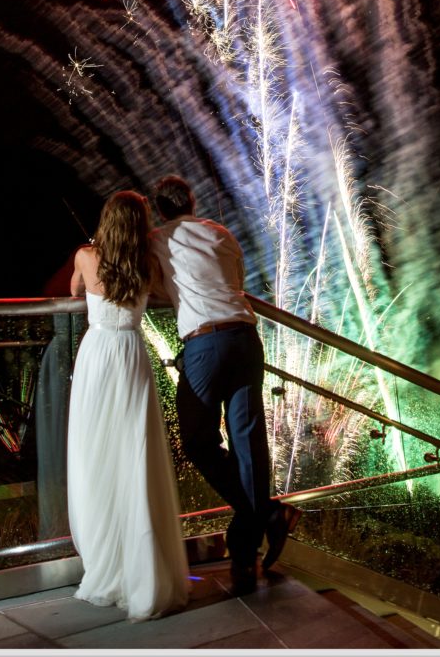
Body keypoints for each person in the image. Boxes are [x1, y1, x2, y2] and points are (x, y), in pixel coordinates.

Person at [149, 175, 301, 594]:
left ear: (159, 209)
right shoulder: (221, 233)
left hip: (205, 343)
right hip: (245, 337)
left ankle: (267, 513)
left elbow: (148, 282)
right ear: (192, 201)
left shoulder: (158, 238)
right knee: (248, 442)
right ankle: (245, 551)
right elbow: (234, 277)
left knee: (198, 440)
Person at [67, 190, 189, 620]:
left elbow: (74, 290)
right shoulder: (148, 264)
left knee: (94, 454)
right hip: (131, 354)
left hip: (98, 355)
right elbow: (157, 294)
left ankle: (105, 560)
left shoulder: (85, 256)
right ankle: (143, 568)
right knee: (135, 455)